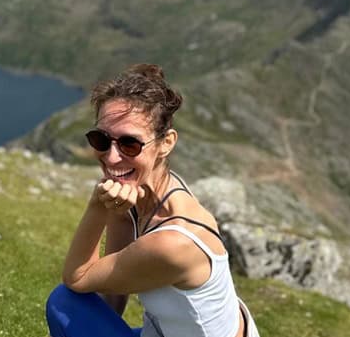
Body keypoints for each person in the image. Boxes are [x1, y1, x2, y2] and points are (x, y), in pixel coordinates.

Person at [45, 64, 259, 337]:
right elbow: (112, 300)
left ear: (166, 143)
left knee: (64, 303)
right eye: (100, 139)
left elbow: (77, 277)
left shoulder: (172, 243)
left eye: (129, 144)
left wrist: (98, 205)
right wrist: (117, 212)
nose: (111, 157)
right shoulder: (151, 192)